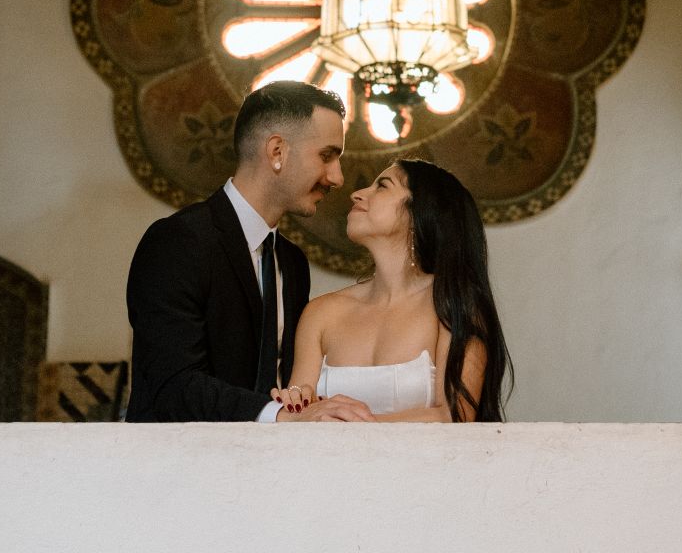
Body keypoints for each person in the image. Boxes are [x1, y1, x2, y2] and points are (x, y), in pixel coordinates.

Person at [124, 81, 372, 422]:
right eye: (327, 156)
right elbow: (174, 385)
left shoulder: (292, 263)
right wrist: (280, 417)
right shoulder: (178, 241)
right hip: (178, 466)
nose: (338, 177)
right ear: (276, 152)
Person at [274, 158, 510, 422]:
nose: (357, 193)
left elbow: (455, 415)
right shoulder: (320, 313)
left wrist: (356, 425)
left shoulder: (453, 305)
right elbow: (300, 417)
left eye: (382, 186)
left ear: (419, 211)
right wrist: (295, 402)